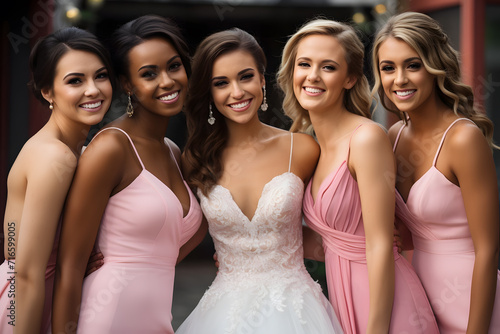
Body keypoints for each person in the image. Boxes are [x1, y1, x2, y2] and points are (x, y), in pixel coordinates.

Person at [176, 28, 343, 334]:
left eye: (246, 76)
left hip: (297, 308)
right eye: (221, 83)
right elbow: (183, 228)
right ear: (209, 93)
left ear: (262, 80)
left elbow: (329, 219)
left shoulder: (302, 149)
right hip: (222, 314)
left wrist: (365, 240)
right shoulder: (194, 160)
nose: (237, 92)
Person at [277, 19, 439, 333]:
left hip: (386, 307)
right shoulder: (309, 145)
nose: (312, 76)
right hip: (341, 300)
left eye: (328, 67)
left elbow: (379, 244)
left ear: (350, 77)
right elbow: (330, 243)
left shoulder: (366, 139)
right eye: (304, 64)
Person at [51, 15, 204, 334]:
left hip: (158, 322)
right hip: (106, 318)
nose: (167, 81)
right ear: (127, 84)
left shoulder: (174, 152)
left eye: (173, 66)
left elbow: (169, 248)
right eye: (149, 74)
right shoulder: (111, 148)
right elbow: (70, 267)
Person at [372, 11, 500, 333]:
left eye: (412, 65)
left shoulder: (463, 138)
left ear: (435, 67)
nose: (399, 79)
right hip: (418, 299)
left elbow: (488, 249)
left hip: (472, 301)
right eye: (388, 68)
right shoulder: (393, 137)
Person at [0, 27, 113, 334]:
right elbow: (23, 271)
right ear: (47, 91)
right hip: (24, 306)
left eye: (100, 76)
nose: (93, 90)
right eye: (75, 80)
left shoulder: (81, 152)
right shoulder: (54, 157)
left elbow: (12, 246)